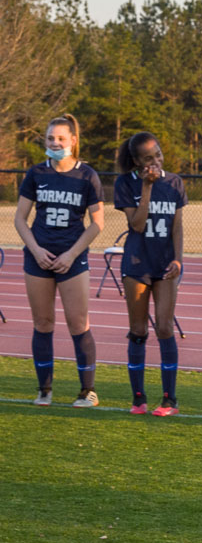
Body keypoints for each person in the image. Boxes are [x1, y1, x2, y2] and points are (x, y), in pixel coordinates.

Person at [14, 114, 104, 407]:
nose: (54, 143)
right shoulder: (36, 173)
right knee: (42, 323)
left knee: (78, 323)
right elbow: (20, 219)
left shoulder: (87, 175)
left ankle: (87, 391)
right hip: (38, 258)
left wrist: (71, 254)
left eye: (61, 138)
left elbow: (97, 223)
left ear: (74, 141)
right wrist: (37, 251)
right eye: (50, 138)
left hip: (72, 259)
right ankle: (44, 389)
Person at [113, 132, 186, 416]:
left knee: (165, 328)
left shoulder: (175, 182)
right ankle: (139, 397)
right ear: (136, 162)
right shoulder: (125, 183)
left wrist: (179, 261)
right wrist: (146, 188)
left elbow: (177, 227)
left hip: (165, 264)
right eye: (148, 159)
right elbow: (138, 225)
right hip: (137, 263)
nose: (155, 161)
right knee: (139, 330)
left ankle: (169, 399)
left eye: (157, 154)